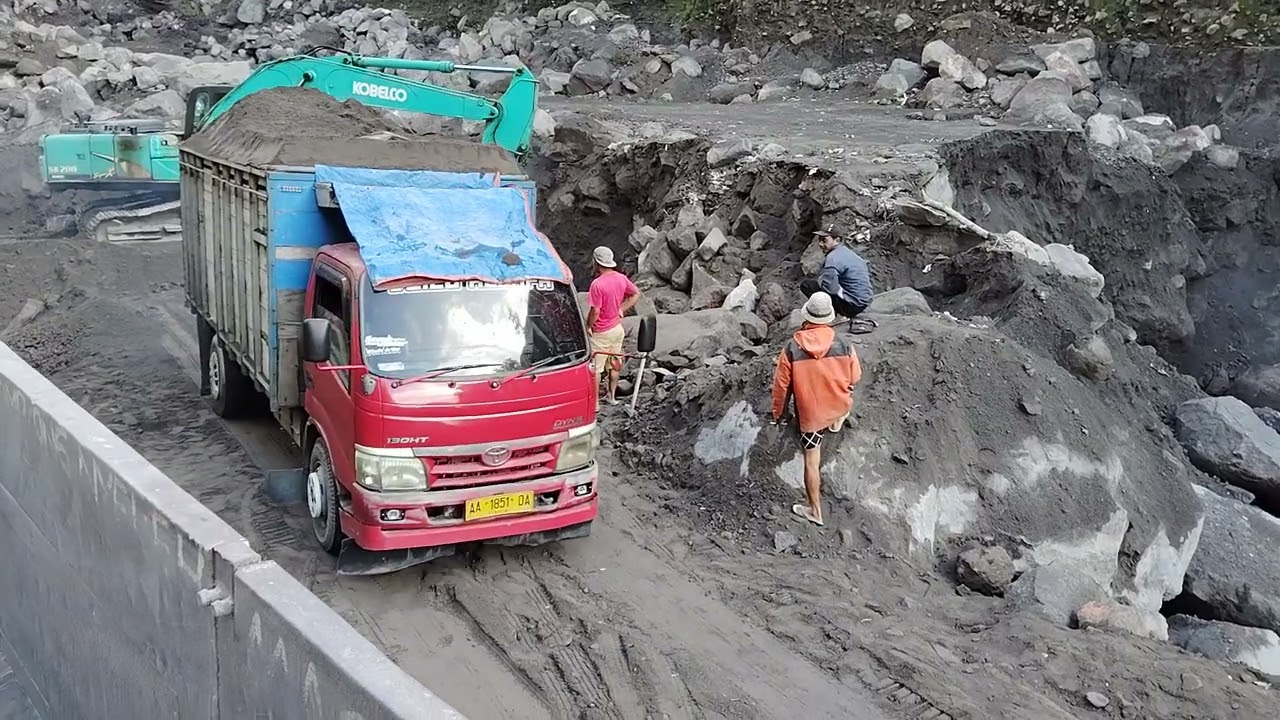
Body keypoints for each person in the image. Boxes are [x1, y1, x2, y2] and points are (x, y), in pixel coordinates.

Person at [770, 292, 863, 526]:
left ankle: (814, 511)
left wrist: (779, 415)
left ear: (807, 316)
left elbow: (781, 387)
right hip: (839, 405)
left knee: (812, 462)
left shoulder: (792, 349)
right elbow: (855, 377)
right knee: (845, 398)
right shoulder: (844, 344)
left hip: (811, 417)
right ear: (829, 317)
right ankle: (837, 419)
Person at [585, 246, 641, 405]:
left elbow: (595, 311)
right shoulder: (621, 278)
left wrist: (588, 325)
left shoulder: (597, 285)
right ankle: (612, 397)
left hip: (601, 332)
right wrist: (621, 309)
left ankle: (595, 403)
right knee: (615, 364)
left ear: (596, 262)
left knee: (596, 369)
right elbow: (635, 294)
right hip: (617, 329)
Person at [800, 227, 874, 321]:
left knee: (807, 285)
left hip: (851, 306)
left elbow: (831, 289)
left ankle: (830, 314)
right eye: (819, 240)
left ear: (837, 240)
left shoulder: (832, 258)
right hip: (863, 302)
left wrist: (822, 281)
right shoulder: (846, 252)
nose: (820, 244)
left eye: (824, 240)